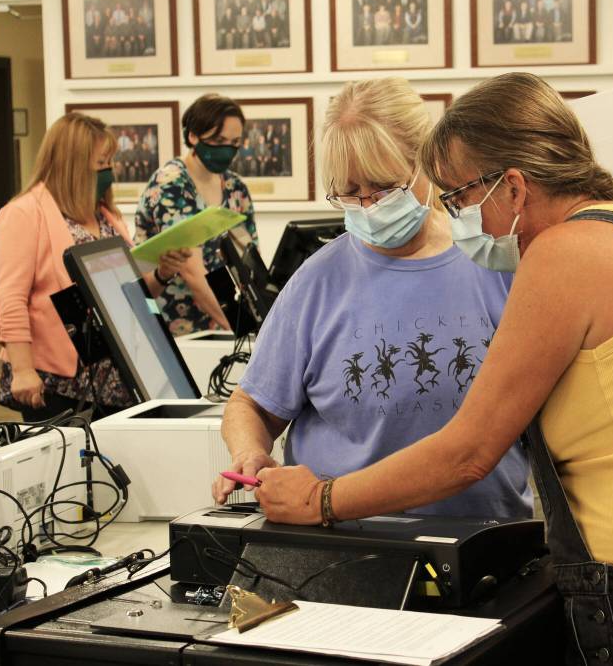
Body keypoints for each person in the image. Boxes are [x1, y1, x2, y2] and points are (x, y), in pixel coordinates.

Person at [251, 73, 613, 665]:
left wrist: (321, 499)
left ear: (514, 188)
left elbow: (468, 452)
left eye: (457, 199)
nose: (457, 220)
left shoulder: (562, 253)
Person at [212, 78, 532, 520]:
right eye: (348, 192)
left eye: (383, 187)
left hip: (480, 538)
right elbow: (251, 403)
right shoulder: (318, 281)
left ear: (426, 166)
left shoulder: (493, 262)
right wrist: (249, 451)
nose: (366, 206)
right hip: (342, 537)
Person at [0, 113, 190, 422]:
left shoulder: (105, 216)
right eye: (103, 163)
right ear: (72, 164)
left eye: (111, 161)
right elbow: (10, 301)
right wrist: (22, 369)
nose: (111, 170)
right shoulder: (23, 215)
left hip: (117, 376)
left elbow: (127, 294)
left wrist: (162, 273)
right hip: (57, 381)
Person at [135, 94, 257, 336]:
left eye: (234, 142)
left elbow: (248, 256)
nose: (227, 150)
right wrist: (243, 329)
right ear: (193, 136)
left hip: (225, 320)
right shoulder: (172, 185)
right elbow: (191, 270)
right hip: (181, 327)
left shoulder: (234, 187)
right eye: (218, 140)